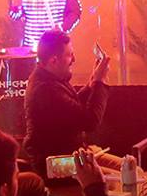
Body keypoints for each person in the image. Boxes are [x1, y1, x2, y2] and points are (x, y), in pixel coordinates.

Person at [24, 29, 110, 175]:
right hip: (56, 165)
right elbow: (90, 121)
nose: (74, 59)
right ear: (54, 60)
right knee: (118, 180)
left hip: (74, 155)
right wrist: (99, 82)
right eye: (70, 55)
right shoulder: (45, 89)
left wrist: (91, 84)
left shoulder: (49, 78)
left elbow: (70, 107)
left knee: (133, 170)